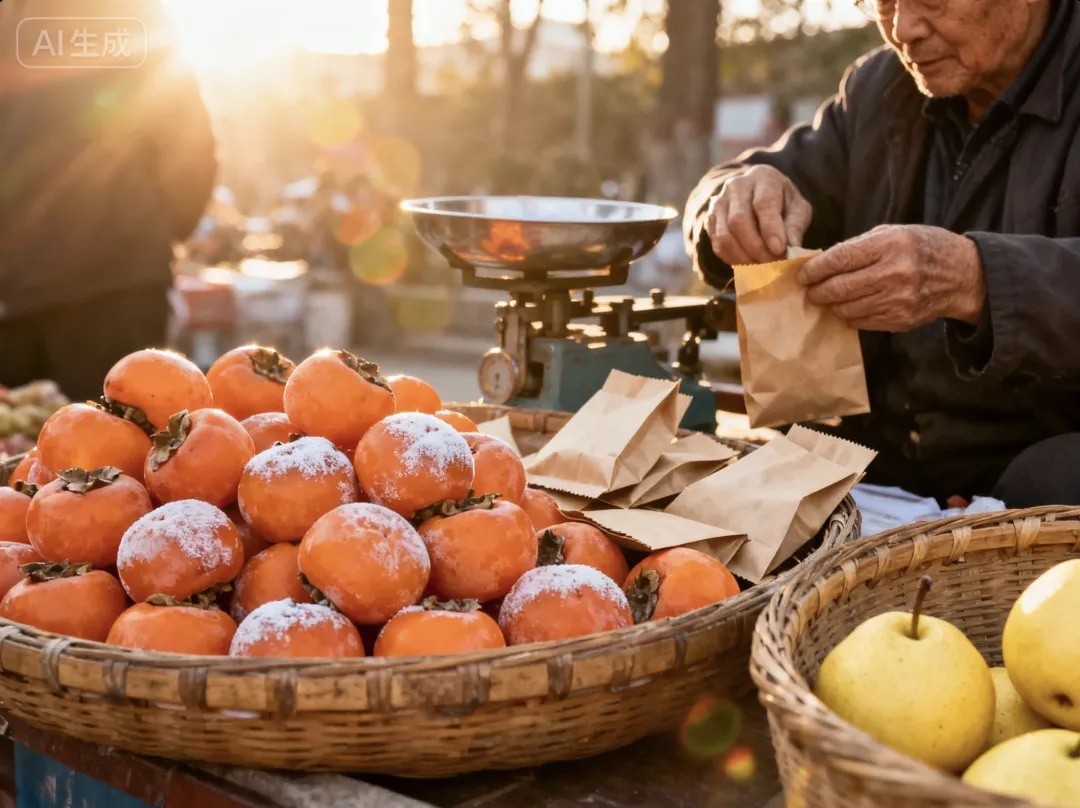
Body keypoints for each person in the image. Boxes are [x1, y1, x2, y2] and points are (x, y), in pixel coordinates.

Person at [685, 0, 1080, 508]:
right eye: (882, 3)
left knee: (1053, 481)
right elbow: (744, 183)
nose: (902, 29)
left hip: (1035, 473)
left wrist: (977, 281)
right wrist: (732, 203)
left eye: (929, 1)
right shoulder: (881, 88)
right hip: (882, 464)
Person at [0, 0, 216, 402]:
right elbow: (188, 143)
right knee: (121, 447)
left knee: (19, 450)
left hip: (31, 288)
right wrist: (162, 232)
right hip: (117, 280)